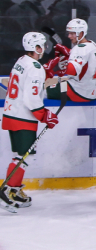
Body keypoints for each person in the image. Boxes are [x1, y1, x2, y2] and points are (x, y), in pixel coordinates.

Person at [0, 33, 59, 212]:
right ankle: (8, 190)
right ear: (37, 48)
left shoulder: (22, 60)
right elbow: (31, 97)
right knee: (25, 156)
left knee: (21, 154)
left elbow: (26, 83)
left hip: (11, 113)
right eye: (42, 46)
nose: (44, 49)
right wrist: (44, 115)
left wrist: (43, 71)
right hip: (23, 117)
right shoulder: (35, 68)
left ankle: (15, 189)